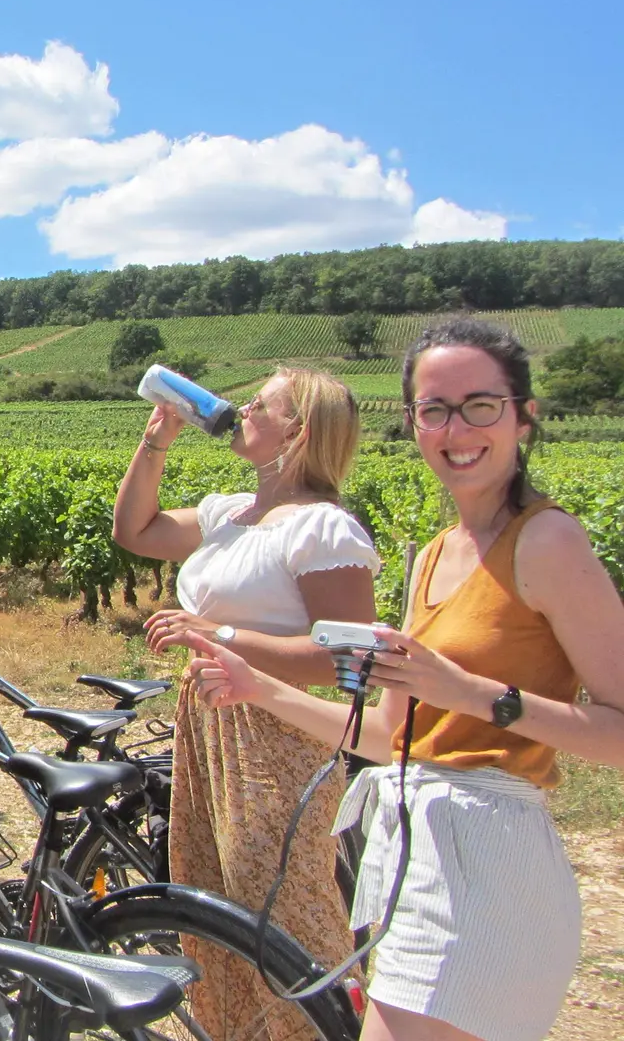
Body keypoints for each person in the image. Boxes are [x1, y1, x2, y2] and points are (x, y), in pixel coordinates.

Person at [185, 319, 624, 1041]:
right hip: (416, 852)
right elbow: (390, 737)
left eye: (480, 405)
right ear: (414, 424)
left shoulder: (547, 540)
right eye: (434, 409)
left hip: (491, 858)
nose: (457, 428)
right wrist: (256, 686)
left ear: (525, 416)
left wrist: (472, 694)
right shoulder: (433, 555)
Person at [112, 366, 377, 1040]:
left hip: (277, 734)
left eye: (261, 404)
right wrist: (156, 442)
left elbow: (348, 664)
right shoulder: (229, 513)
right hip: (206, 722)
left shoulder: (324, 529)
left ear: (300, 430)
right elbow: (135, 531)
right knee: (213, 899)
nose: (241, 410)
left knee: (282, 909)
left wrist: (216, 633)